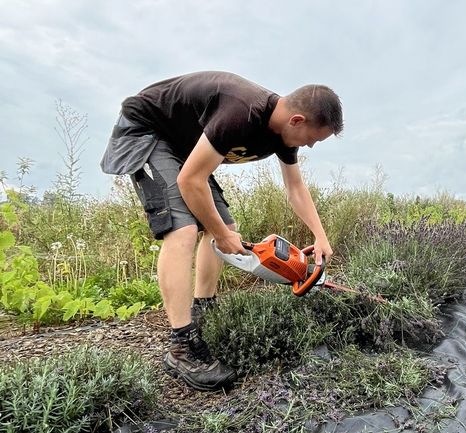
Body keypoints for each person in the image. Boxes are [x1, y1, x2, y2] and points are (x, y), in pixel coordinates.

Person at [100, 71, 343, 391]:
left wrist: (320, 235)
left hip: (184, 146)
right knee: (184, 230)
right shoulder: (241, 112)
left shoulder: (281, 132)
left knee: (225, 227)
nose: (310, 145)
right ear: (297, 120)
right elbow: (190, 181)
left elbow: (295, 187)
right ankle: (182, 346)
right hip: (149, 130)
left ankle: (203, 311)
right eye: (313, 138)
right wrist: (220, 234)